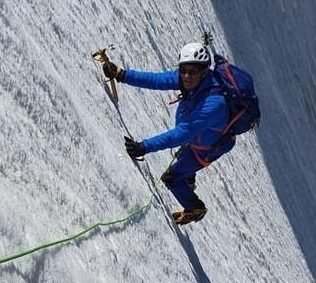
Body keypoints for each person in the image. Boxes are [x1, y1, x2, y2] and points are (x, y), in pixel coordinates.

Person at [103, 42, 240, 226]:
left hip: (207, 148)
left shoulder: (214, 104)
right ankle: (189, 178)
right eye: (183, 70)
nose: (186, 76)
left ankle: (195, 209)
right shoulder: (194, 81)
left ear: (204, 71)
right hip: (200, 138)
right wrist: (121, 74)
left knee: (172, 178)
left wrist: (144, 147)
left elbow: (182, 134)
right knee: (184, 157)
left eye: (192, 71)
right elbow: (158, 80)